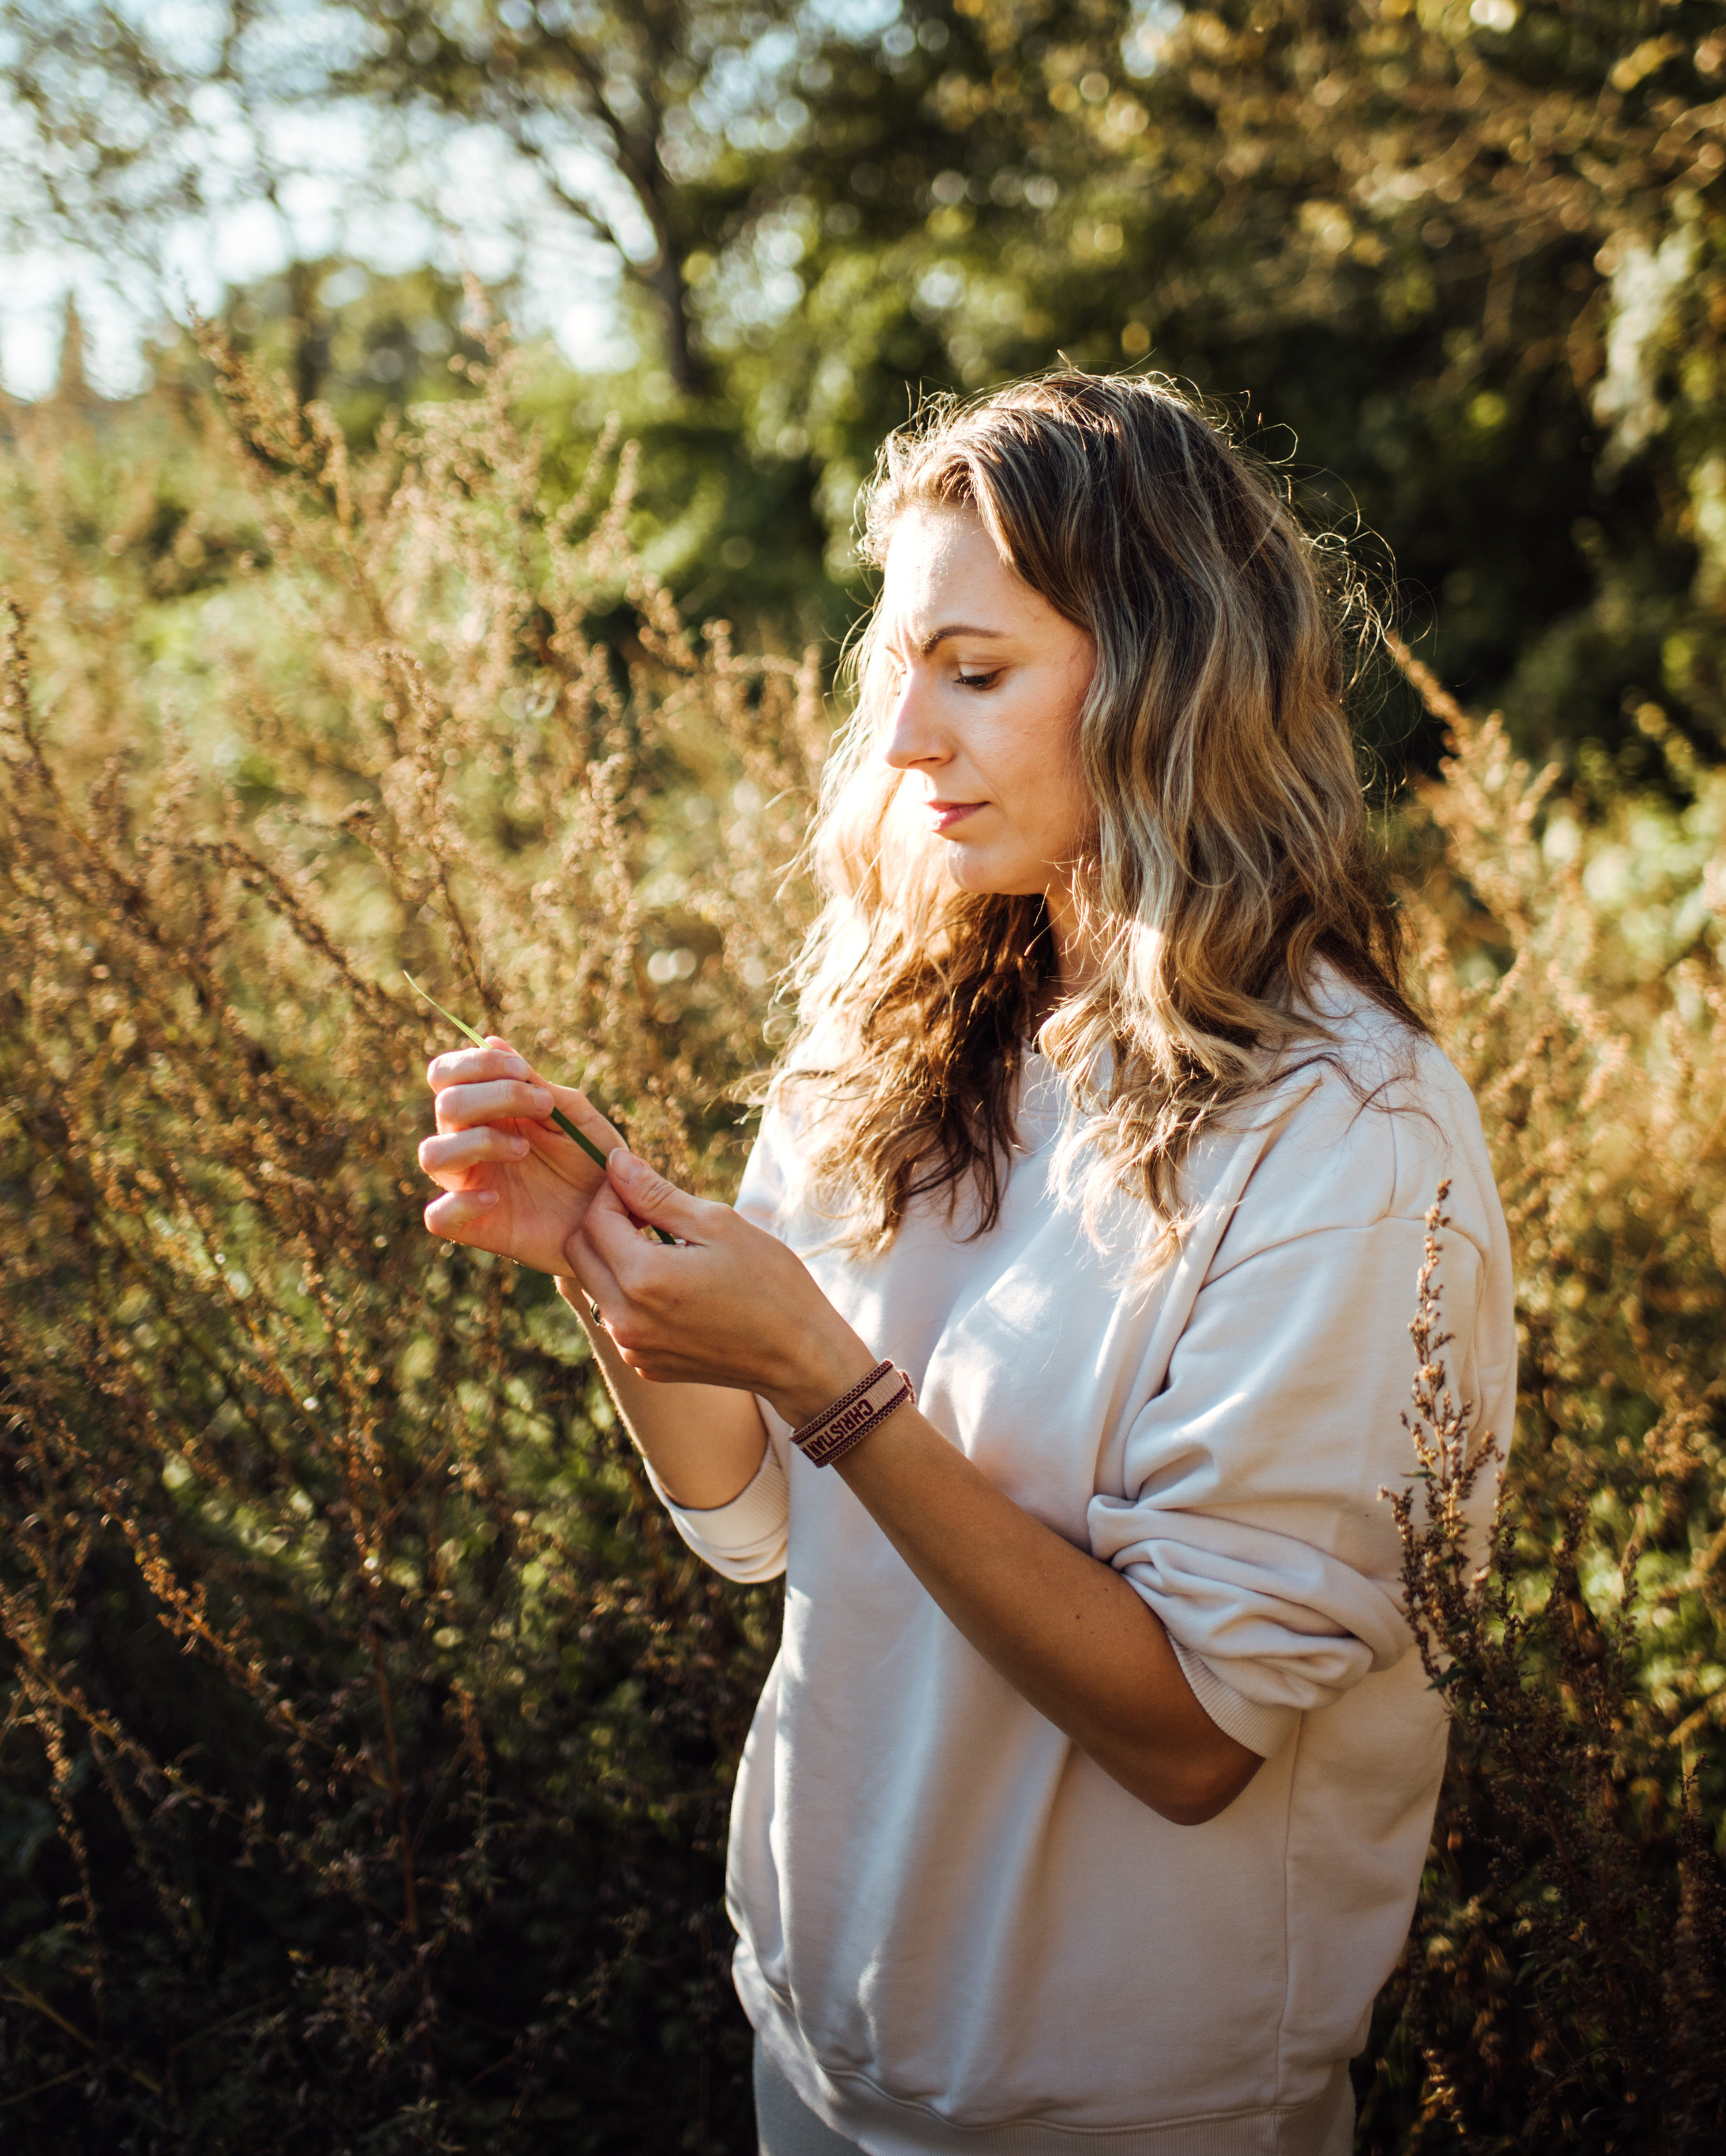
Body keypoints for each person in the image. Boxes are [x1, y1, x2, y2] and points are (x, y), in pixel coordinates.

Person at [418, 371, 1514, 2156]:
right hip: (820, 2043)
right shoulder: (917, 1020)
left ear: (1167, 684)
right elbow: (753, 1519)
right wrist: (602, 1263)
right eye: (899, 665)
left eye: (977, 671)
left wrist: (829, 1383)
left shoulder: (1349, 1134)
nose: (904, 735)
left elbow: (1190, 1741)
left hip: (1119, 2104)